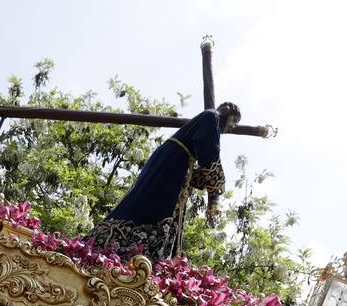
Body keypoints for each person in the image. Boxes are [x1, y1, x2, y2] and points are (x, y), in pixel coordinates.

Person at [89, 104, 238, 262]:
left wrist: (209, 184)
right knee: (152, 207)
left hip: (173, 164)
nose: (233, 127)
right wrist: (215, 194)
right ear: (226, 110)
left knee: (150, 204)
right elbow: (209, 154)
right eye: (234, 120)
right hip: (171, 165)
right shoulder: (211, 116)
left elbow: (201, 168)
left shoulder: (202, 125)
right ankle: (110, 248)